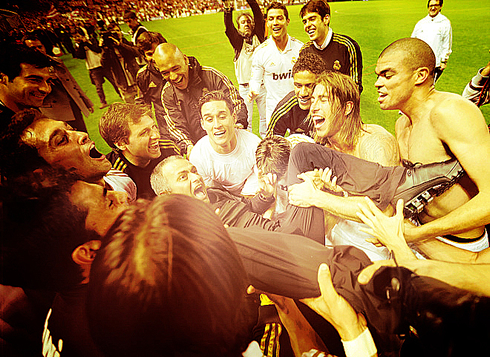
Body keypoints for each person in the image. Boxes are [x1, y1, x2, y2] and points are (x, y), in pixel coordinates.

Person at [376, 38, 490, 252]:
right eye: (378, 75)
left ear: (420, 76)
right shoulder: (402, 123)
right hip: (420, 234)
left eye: (387, 75)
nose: (378, 83)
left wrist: (419, 234)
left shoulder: (450, 113)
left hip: (463, 247)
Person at [287, 71, 400, 261]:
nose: (313, 107)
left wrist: (318, 197)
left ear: (347, 108)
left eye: (323, 100)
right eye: (313, 100)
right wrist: (332, 195)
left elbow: (386, 212)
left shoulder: (374, 142)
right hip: (337, 239)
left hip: (378, 245)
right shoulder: (321, 152)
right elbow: (323, 226)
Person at [153, 43, 248, 156]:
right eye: (165, 73)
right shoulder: (168, 94)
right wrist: (188, 146)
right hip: (202, 152)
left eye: (176, 68)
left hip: (231, 143)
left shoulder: (212, 76)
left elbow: (236, 103)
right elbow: (176, 126)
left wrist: (238, 125)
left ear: (185, 59)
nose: (173, 76)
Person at [189, 90, 261, 196]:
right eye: (209, 119)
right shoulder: (198, 157)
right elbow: (209, 195)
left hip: (251, 195)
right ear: (203, 124)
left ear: (234, 118)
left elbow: (261, 186)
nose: (217, 125)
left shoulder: (254, 145)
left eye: (222, 117)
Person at [99, 103, 178, 199]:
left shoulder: (168, 149)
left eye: (154, 127)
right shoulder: (114, 175)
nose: (156, 136)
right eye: (144, 133)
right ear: (121, 144)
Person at [248, 2, 304, 136]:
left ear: (287, 21)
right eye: (271, 19)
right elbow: (255, 79)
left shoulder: (300, 48)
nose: (275, 22)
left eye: (279, 18)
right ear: (267, 23)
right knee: (275, 150)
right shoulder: (261, 52)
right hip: (274, 110)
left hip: (298, 108)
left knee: (300, 148)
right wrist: (253, 90)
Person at [23, 32, 94, 133]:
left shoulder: (56, 61)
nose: (38, 50)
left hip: (73, 105)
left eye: (40, 47)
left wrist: (86, 101)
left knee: (83, 134)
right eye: (33, 48)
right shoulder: (27, 71)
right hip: (54, 113)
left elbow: (73, 83)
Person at [299, 0, 363, 93]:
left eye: (312, 19)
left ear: (326, 19)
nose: (307, 25)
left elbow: (355, 88)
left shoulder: (347, 46)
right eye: (305, 21)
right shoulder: (304, 51)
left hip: (340, 106)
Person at [223, 0, 267, 134]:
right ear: (239, 28)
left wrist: (251, 1)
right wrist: (227, 9)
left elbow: (258, 15)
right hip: (245, 88)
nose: (246, 24)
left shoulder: (259, 36)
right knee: (246, 122)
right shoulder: (237, 42)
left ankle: (267, 146)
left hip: (262, 86)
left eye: (249, 22)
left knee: (266, 119)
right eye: (243, 22)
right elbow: (229, 27)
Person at [134, 31, 179, 156]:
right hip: (165, 127)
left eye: (157, 51)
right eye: (149, 54)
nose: (154, 57)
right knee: (173, 159)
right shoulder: (143, 76)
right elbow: (142, 105)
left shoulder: (180, 67)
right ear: (143, 55)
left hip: (190, 121)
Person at [266, 52, 325, 138]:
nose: (303, 93)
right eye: (298, 85)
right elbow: (269, 144)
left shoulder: (334, 105)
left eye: (309, 86)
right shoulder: (285, 108)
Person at [0, 42, 55, 133]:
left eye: (48, 81)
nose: (46, 89)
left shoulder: (29, 110)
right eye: (34, 80)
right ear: (2, 78)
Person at [72, 28, 120, 109]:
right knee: (98, 87)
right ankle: (103, 102)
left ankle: (121, 94)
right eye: (74, 37)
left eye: (77, 36)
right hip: (93, 68)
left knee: (114, 81)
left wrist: (86, 43)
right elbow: (81, 56)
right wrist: (81, 45)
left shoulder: (92, 40)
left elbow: (97, 49)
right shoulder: (78, 45)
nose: (76, 38)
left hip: (103, 65)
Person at [411, 0, 452, 82]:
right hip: (419, 62)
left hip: (435, 64)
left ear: (440, 7)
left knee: (428, 87)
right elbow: (412, 41)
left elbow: (446, 43)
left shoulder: (445, 23)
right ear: (428, 7)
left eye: (436, 5)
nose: (433, 8)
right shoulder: (421, 23)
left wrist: (444, 60)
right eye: (431, 5)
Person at [100, 22, 140, 104]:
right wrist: (104, 49)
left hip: (137, 81)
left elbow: (137, 52)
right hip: (124, 86)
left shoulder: (127, 44)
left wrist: (120, 45)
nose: (117, 33)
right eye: (113, 32)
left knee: (145, 108)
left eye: (118, 31)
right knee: (132, 112)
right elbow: (104, 65)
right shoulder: (109, 50)